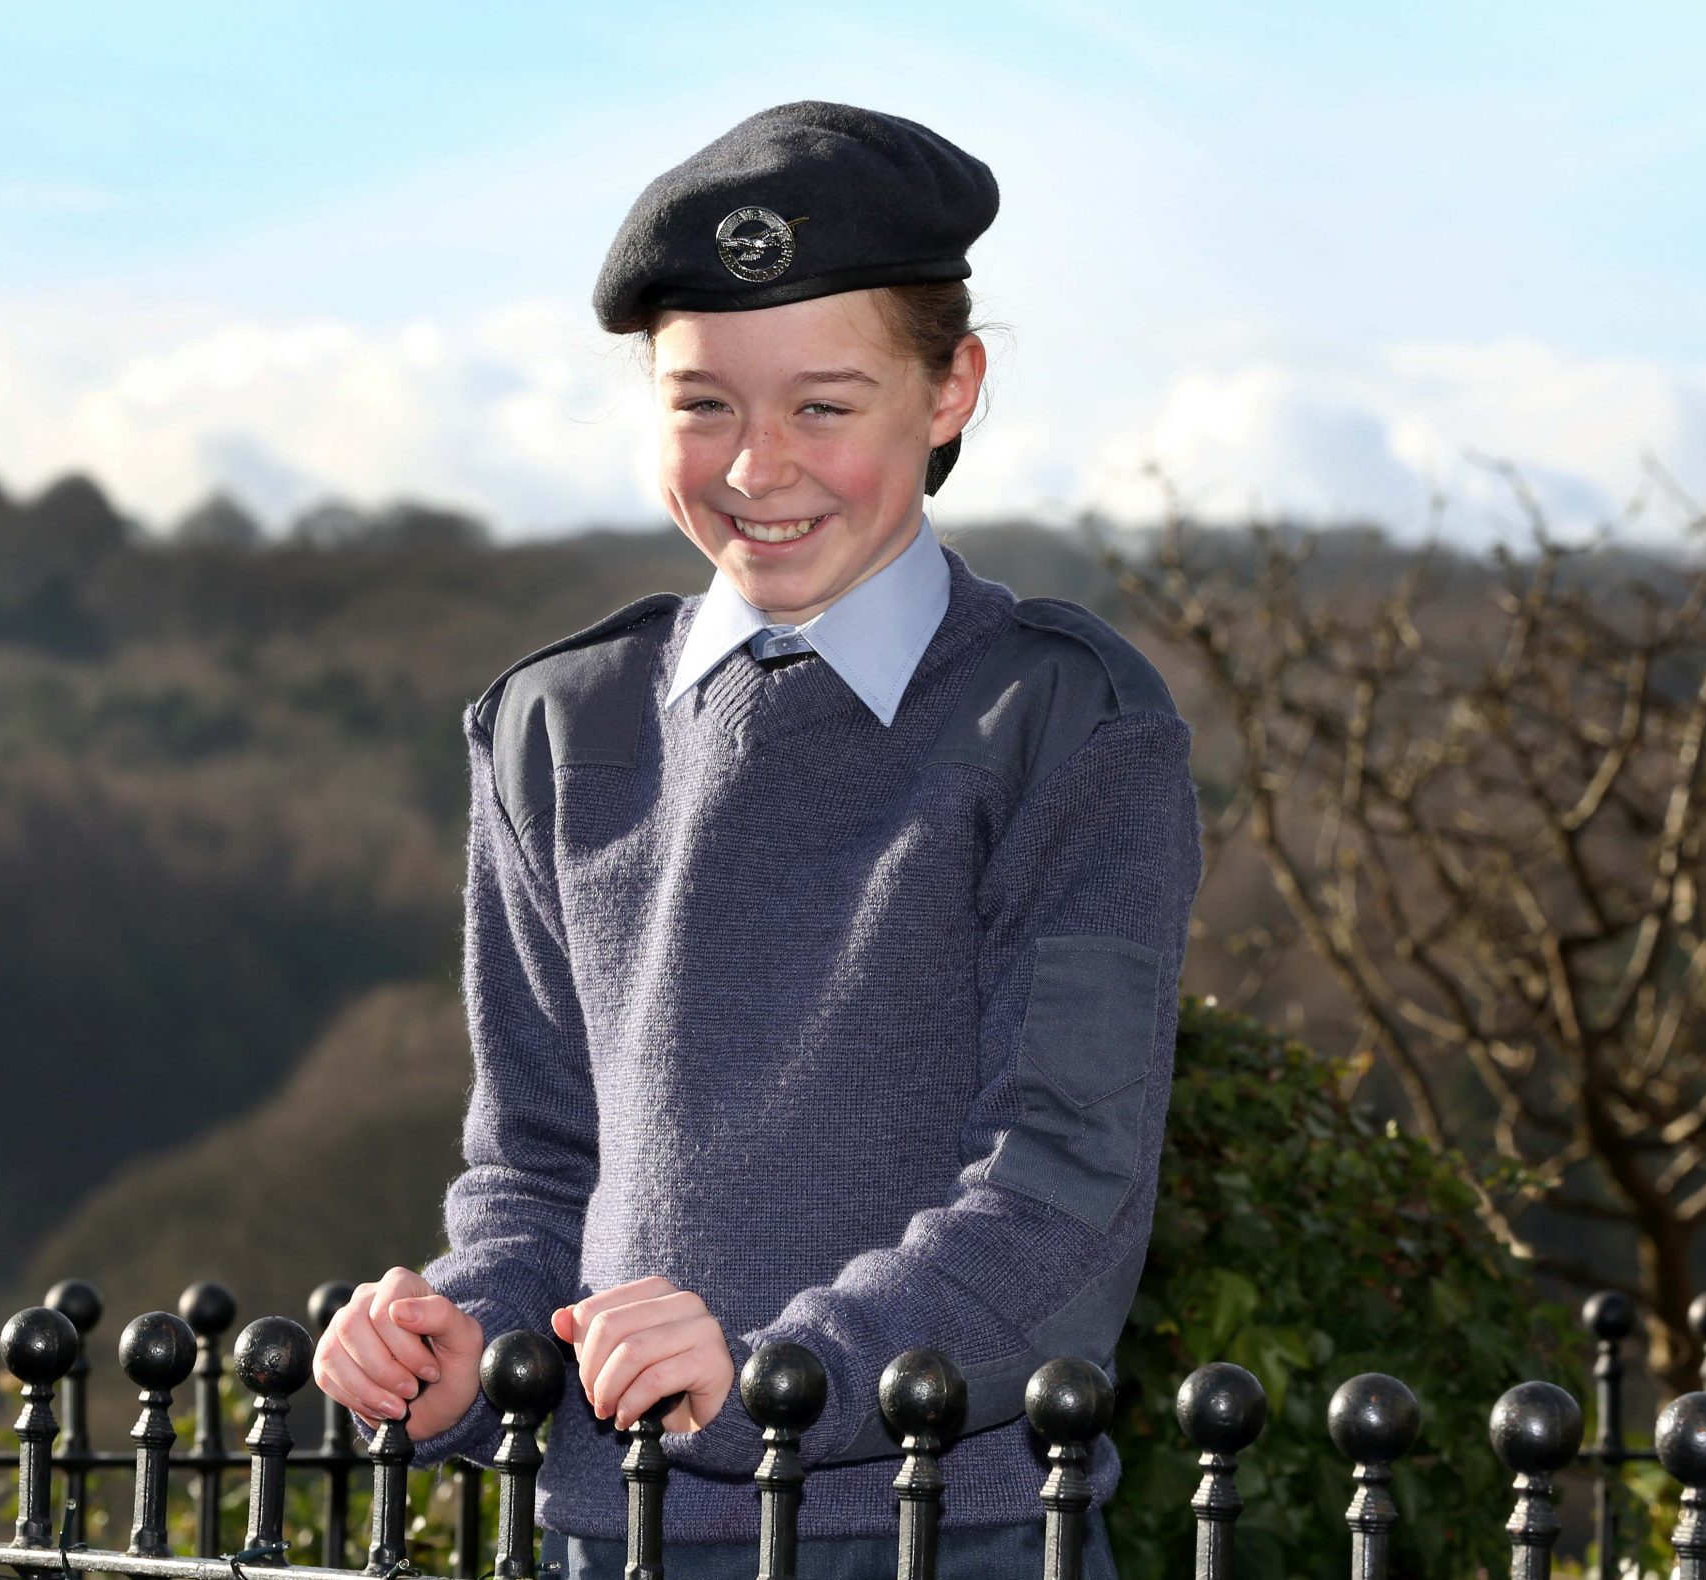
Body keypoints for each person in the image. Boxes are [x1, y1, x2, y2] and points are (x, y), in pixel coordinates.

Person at [312, 100, 1201, 1580]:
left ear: (952, 389)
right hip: (607, 1535)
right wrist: (462, 1345)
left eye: (824, 407)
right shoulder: (555, 723)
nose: (756, 467)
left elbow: (1063, 1191)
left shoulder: (1066, 722)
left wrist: (780, 1379)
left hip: (948, 1535)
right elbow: (538, 1164)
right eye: (704, 405)